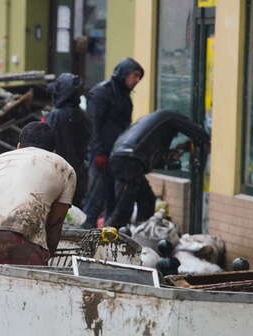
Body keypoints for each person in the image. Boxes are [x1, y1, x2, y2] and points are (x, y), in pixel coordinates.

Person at [0, 122, 76, 288]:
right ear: (53, 151)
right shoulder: (63, 167)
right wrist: (48, 255)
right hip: (21, 230)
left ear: (19, 146)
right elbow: (55, 223)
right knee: (30, 299)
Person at [105, 109, 209, 228]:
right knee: (123, 208)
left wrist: (170, 154)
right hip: (128, 161)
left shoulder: (156, 124)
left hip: (126, 159)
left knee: (147, 200)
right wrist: (204, 142)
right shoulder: (171, 118)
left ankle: (143, 232)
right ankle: (104, 241)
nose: (174, 135)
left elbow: (153, 157)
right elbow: (201, 135)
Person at [82, 57, 144, 229]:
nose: (137, 80)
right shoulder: (102, 93)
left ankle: (105, 239)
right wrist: (98, 151)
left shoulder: (124, 97)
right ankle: (84, 233)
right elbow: (93, 124)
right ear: (123, 73)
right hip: (101, 153)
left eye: (139, 77)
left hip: (116, 155)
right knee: (96, 196)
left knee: (112, 197)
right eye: (134, 75)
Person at [46, 73, 90, 206]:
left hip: (56, 171)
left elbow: (47, 141)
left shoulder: (56, 115)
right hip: (77, 172)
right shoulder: (82, 115)